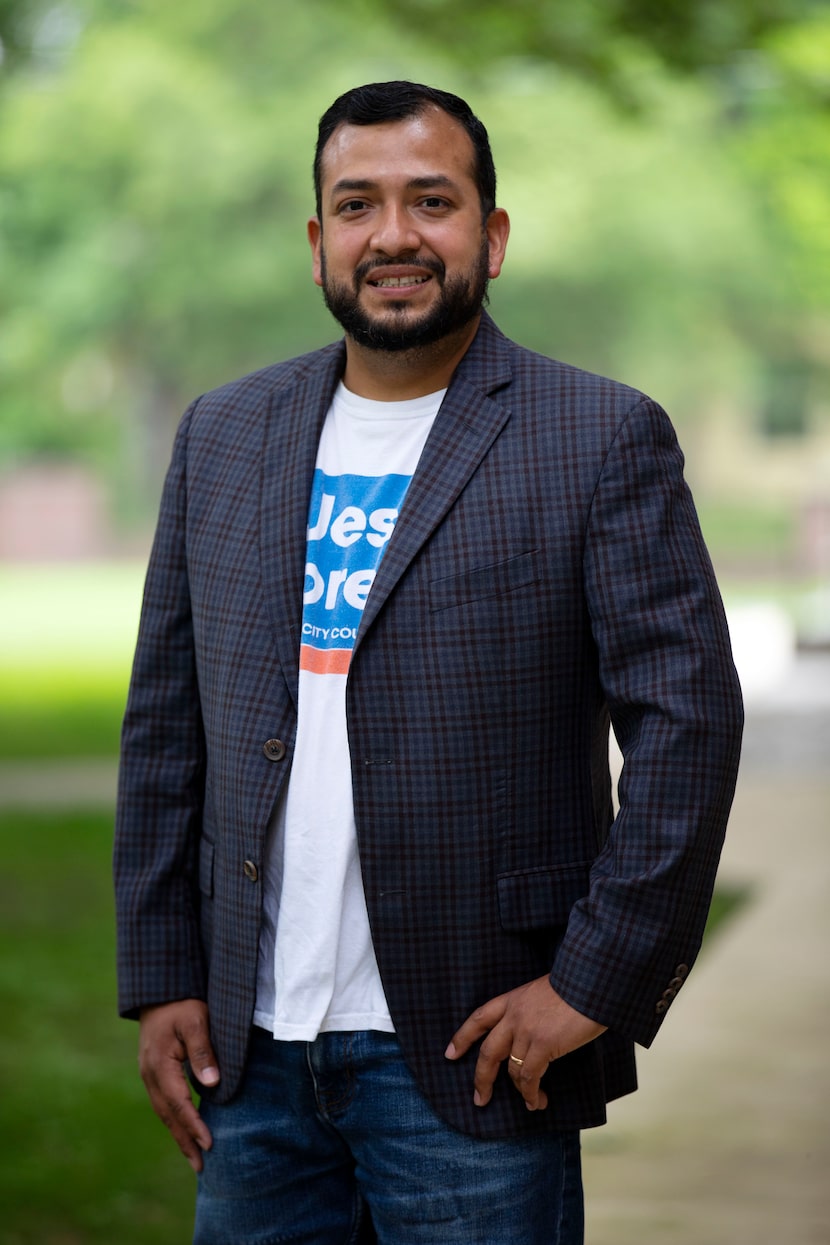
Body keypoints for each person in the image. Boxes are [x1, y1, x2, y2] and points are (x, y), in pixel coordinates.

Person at [114, 80, 743, 1244]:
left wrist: (592, 985)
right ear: (317, 243)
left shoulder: (595, 437)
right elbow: (166, 728)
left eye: (431, 201)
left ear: (491, 237)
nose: (392, 235)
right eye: (356, 204)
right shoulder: (222, 433)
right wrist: (160, 975)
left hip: (471, 1054)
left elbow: (686, 731)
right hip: (249, 1056)